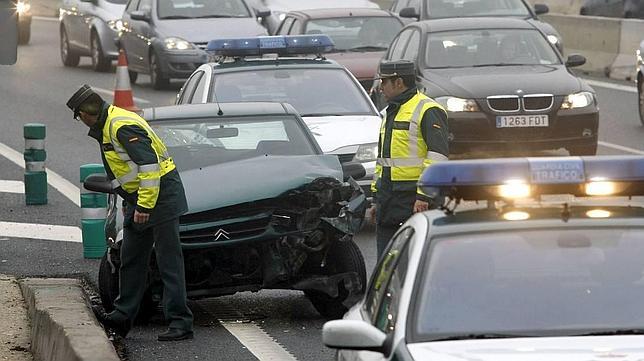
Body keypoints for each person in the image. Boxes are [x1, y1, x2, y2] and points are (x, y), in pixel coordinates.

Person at [66, 85, 194, 341]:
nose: (81, 122)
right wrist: (130, 200)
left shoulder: (120, 125)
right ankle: (121, 317)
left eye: (79, 117)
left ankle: (181, 322)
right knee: (131, 257)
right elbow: (128, 171)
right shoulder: (110, 124)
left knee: (169, 261)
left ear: (85, 113)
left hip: (161, 197)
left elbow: (149, 166)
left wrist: (145, 206)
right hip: (141, 199)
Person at [369, 61, 449, 258]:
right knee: (387, 262)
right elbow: (384, 160)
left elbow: (438, 156)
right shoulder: (391, 111)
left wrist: (424, 196)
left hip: (413, 198)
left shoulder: (427, 109)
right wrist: (375, 198)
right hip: (389, 198)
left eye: (384, 82)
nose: (380, 87)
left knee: (416, 258)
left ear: (398, 82)